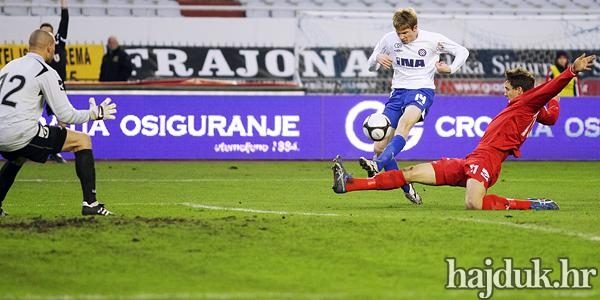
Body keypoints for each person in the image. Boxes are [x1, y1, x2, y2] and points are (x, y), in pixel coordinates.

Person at [331, 53, 596, 210]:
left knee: (474, 204)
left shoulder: (527, 101)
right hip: (472, 158)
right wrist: (559, 98)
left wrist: (570, 72)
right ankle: (350, 184)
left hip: (488, 161)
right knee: (411, 173)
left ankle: (532, 203)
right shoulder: (531, 108)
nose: (504, 91)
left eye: (507, 87)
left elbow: (546, 94)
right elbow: (550, 117)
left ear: (519, 90)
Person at [0, 30, 117, 217]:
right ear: (49, 47)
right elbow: (67, 114)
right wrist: (95, 114)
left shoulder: (9, 66)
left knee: (18, 156)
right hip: (19, 132)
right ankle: (91, 203)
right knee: (82, 141)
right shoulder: (45, 71)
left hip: (2, 134)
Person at [359, 7, 469, 205]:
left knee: (404, 124)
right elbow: (369, 65)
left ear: (415, 27)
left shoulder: (432, 40)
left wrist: (451, 68)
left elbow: (462, 51)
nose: (402, 37)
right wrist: (376, 59)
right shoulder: (388, 39)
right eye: (399, 33)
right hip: (397, 94)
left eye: (405, 33)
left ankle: (377, 165)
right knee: (379, 146)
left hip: (421, 92)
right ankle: (407, 187)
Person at [40, 0, 69, 163]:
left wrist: (64, 7)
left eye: (48, 33)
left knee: (62, 120)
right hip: (39, 87)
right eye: (42, 33)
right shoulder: (36, 51)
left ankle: (56, 151)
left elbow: (64, 23)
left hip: (57, 87)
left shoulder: (59, 45)